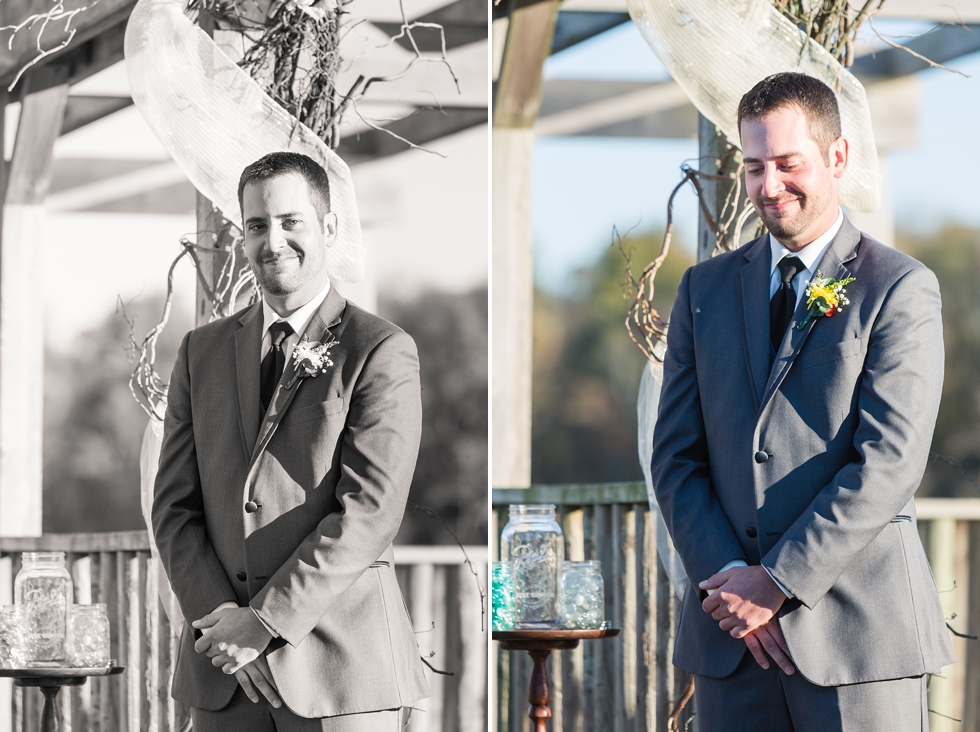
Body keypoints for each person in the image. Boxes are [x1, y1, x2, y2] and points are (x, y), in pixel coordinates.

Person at [650, 72, 954, 731]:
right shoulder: (702, 291)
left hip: (858, 638)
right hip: (733, 642)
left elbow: (890, 461)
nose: (769, 187)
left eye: (788, 164)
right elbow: (675, 458)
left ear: (837, 158)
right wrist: (731, 581)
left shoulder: (899, 287)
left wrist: (778, 581)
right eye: (755, 167)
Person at [151, 151, 428, 731]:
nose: (272, 240)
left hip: (340, 673)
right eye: (256, 225)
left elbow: (370, 511)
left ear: (328, 227)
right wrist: (221, 621)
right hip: (224, 674)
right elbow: (174, 509)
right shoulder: (199, 354)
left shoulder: (379, 349)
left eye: (290, 221)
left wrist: (265, 622)